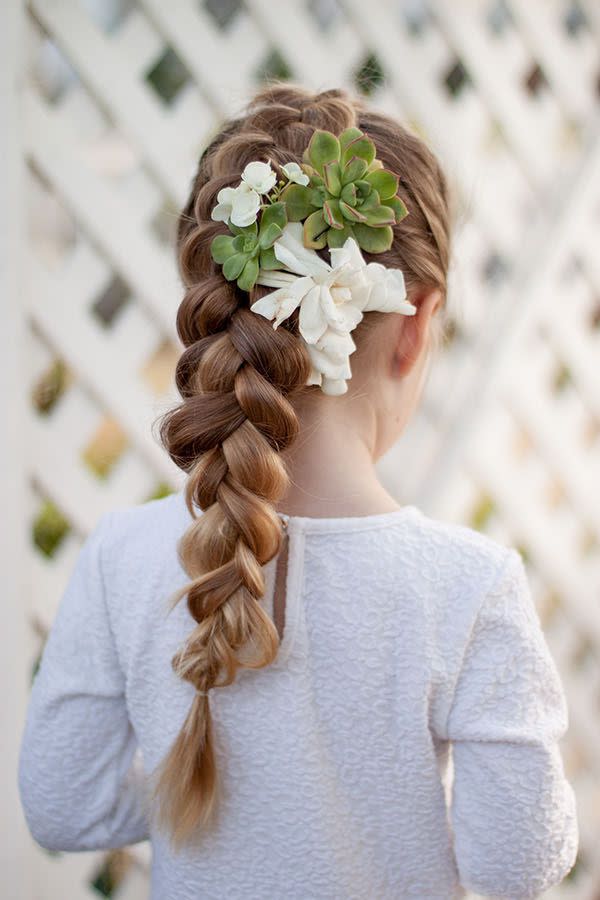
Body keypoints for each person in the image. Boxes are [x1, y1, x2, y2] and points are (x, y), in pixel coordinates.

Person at [18, 84, 578, 899]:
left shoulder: (123, 557)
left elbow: (64, 804)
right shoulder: (469, 584)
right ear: (418, 324)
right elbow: (517, 861)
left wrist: (205, 788)